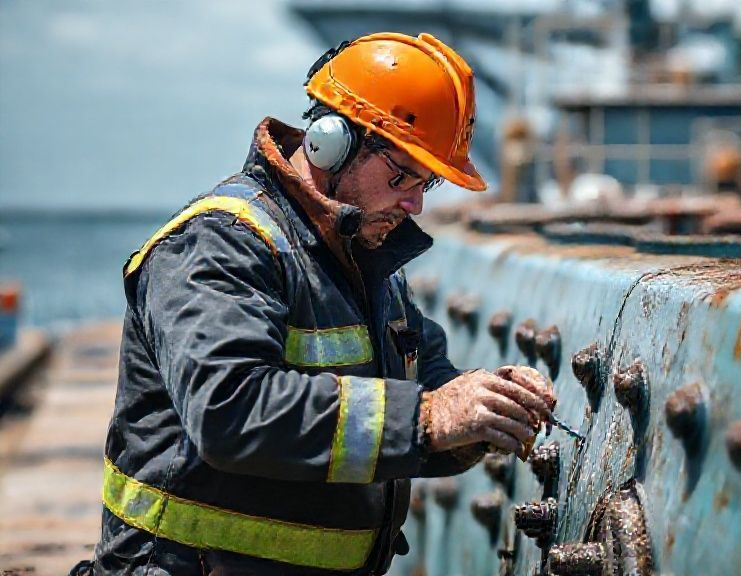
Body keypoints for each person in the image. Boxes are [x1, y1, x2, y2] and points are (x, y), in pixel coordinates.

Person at [77, 32, 557, 575]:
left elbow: (423, 381)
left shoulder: (362, 259)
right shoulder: (222, 242)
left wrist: (480, 411)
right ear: (331, 142)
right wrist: (428, 418)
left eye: (426, 184)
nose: (415, 202)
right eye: (401, 174)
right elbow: (230, 411)